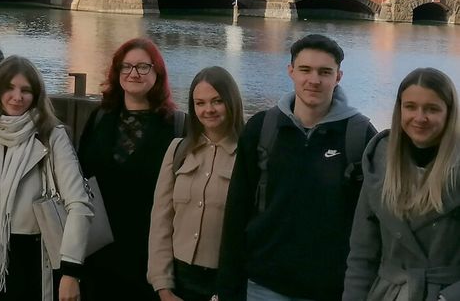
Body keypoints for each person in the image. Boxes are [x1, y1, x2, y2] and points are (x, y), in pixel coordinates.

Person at [218, 34, 377, 301]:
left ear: (338, 77)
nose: (313, 80)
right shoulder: (262, 129)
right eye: (305, 70)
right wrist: (227, 288)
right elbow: (236, 211)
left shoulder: (360, 137)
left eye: (324, 72)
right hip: (263, 286)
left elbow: (372, 223)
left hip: (330, 290)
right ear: (291, 72)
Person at [0, 56, 91, 301]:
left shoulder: (52, 136)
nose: (17, 97)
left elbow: (79, 204)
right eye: (10, 88)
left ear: (36, 95)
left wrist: (71, 272)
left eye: (26, 90)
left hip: (38, 259)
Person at [77, 38, 185, 301]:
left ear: (157, 73)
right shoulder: (100, 118)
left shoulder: (175, 127)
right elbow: (79, 180)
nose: (133, 73)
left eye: (143, 67)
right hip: (96, 252)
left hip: (146, 258)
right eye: (126, 67)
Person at [344, 68, 460, 301]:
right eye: (410, 107)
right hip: (387, 293)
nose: (419, 118)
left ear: (449, 113)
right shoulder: (379, 161)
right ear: (399, 110)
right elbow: (361, 254)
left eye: (432, 109)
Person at [148, 67, 245, 301]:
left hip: (226, 280)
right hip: (180, 279)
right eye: (200, 103)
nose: (208, 109)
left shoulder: (248, 154)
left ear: (231, 102)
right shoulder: (177, 151)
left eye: (217, 101)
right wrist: (163, 286)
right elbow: (161, 221)